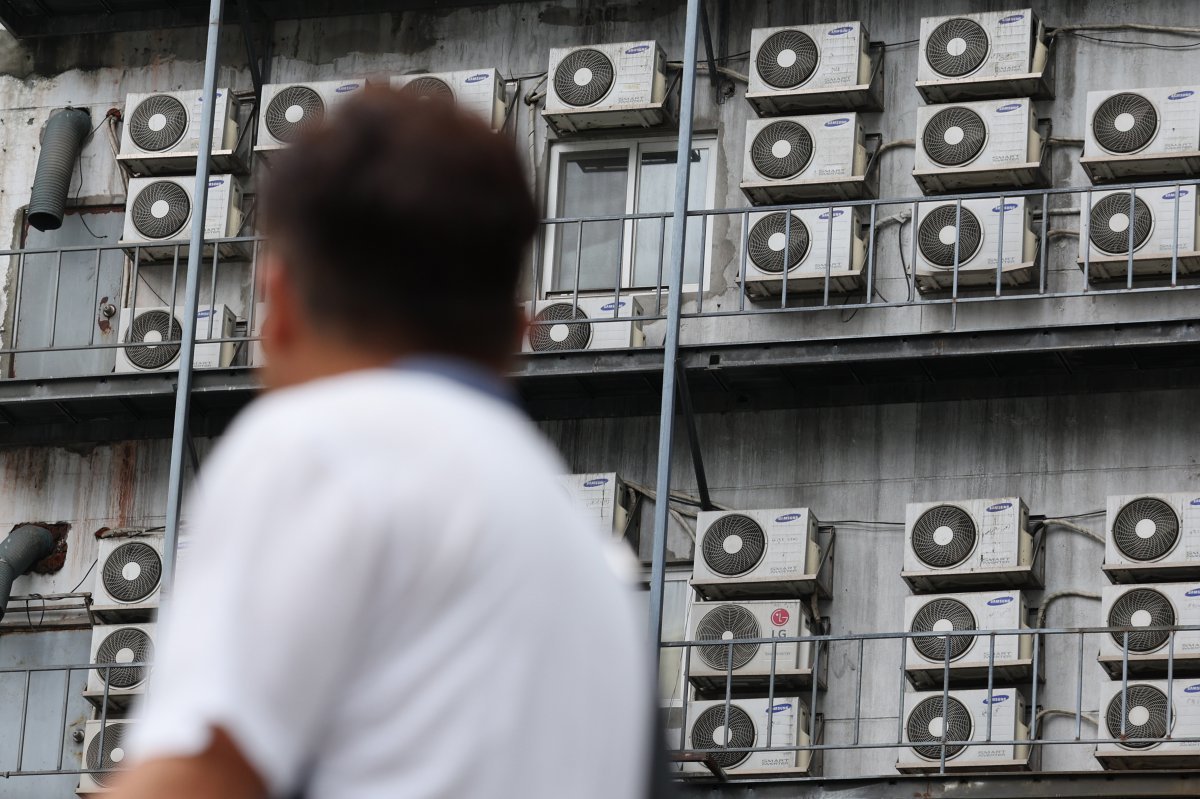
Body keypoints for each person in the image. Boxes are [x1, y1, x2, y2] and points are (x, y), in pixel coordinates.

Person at [113, 88, 654, 799]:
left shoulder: (322, 444)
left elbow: (196, 781)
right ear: (516, 333)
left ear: (279, 303)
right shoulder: (585, 551)